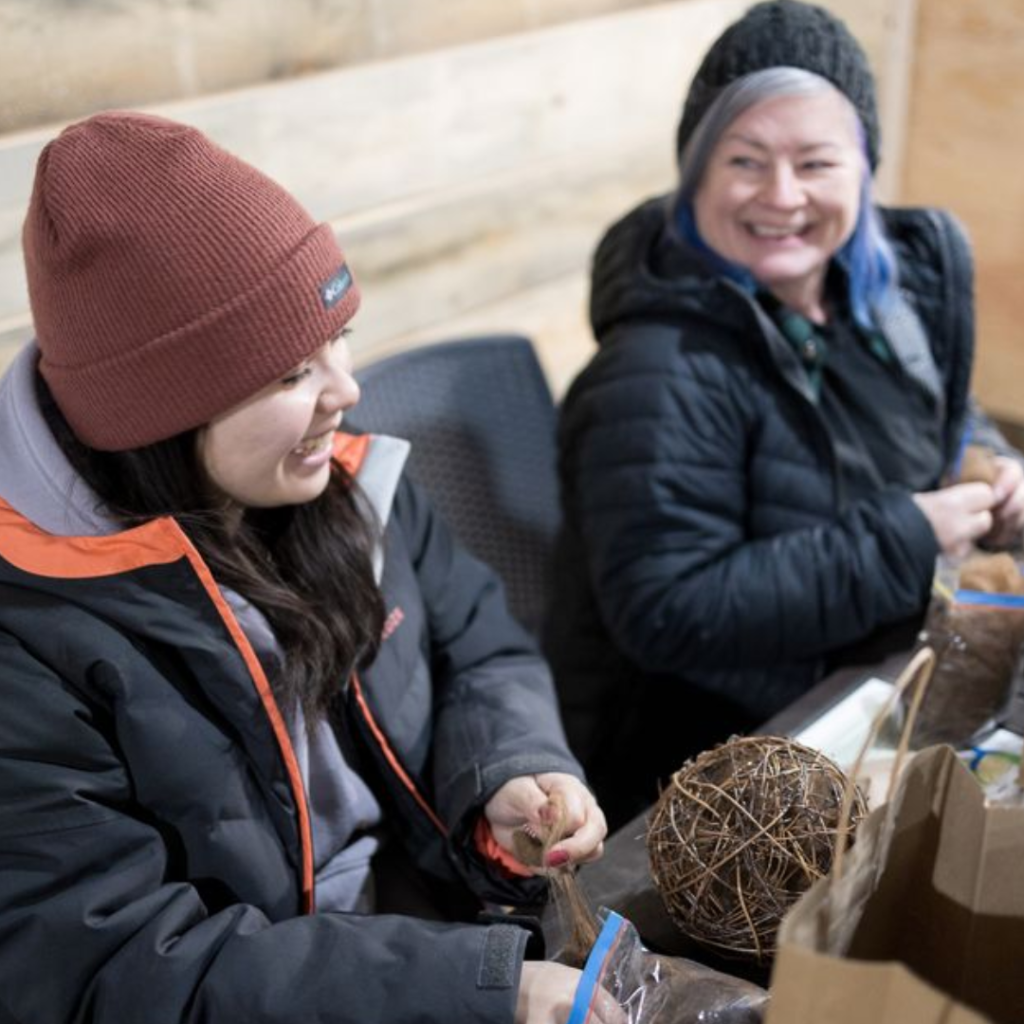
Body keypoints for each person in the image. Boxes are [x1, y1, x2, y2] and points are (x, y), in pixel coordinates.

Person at [0, 111, 613, 1024]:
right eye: (291, 375)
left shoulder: (350, 485)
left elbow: (478, 647)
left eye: (340, 335)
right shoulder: (32, 638)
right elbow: (117, 972)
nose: (348, 390)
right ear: (158, 415)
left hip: (440, 938)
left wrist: (508, 775)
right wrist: (470, 991)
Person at [546, 0, 1024, 828]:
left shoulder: (881, 297)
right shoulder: (654, 371)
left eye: (815, 162)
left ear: (864, 167)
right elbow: (669, 611)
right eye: (746, 160)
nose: (782, 195)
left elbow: (949, 422)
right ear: (694, 172)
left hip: (868, 685)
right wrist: (908, 538)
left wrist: (989, 468)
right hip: (710, 767)